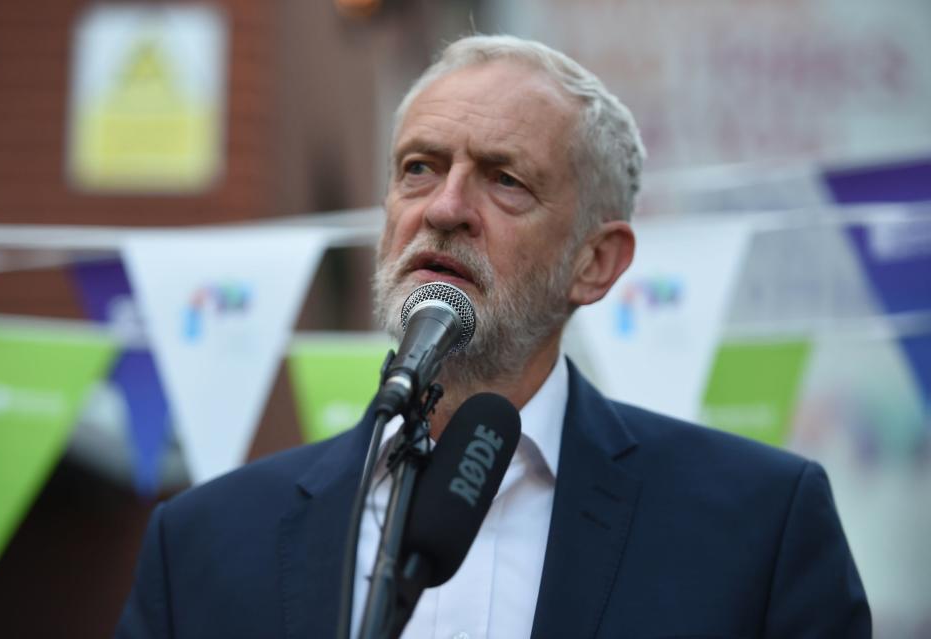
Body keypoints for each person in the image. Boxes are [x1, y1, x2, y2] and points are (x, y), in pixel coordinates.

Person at [116, 35, 870, 638]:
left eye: (505, 178)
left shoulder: (759, 526)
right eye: (419, 167)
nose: (445, 207)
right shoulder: (201, 544)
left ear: (595, 262)